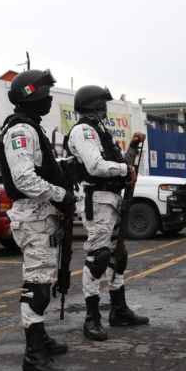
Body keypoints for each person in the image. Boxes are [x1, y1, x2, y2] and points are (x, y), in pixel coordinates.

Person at [0, 69, 73, 371]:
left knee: (45, 279)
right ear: (33, 95)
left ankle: (40, 338)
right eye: (46, 92)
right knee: (37, 287)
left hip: (42, 215)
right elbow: (25, 178)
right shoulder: (21, 131)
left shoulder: (32, 128)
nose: (50, 98)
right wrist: (61, 195)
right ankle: (34, 356)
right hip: (33, 216)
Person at [65, 85, 149, 341]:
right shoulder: (84, 130)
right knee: (98, 257)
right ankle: (92, 318)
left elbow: (118, 161)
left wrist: (132, 148)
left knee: (117, 255)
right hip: (97, 200)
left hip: (111, 199)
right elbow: (96, 166)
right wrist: (125, 171)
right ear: (94, 106)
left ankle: (119, 310)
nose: (105, 109)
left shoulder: (99, 131)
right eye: (102, 105)